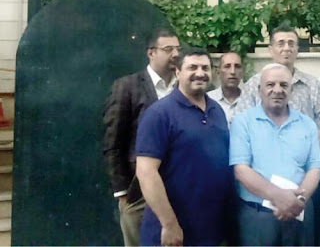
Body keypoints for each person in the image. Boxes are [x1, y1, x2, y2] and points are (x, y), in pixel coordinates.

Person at [135, 47, 234, 246]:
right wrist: (169, 224)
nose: (200, 73)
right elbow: (146, 172)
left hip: (210, 231)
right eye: (192, 67)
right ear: (178, 72)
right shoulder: (159, 114)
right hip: (173, 233)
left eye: (205, 68)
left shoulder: (217, 110)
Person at [103, 28, 180, 246]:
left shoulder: (183, 86)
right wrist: (122, 193)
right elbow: (113, 143)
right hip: (138, 192)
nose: (175, 54)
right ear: (151, 53)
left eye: (178, 49)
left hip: (178, 186)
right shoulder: (128, 86)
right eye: (168, 49)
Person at [230, 63, 320, 246]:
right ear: (259, 90)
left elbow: (314, 169)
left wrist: (298, 201)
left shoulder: (307, 124)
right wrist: (279, 197)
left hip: (298, 212)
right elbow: (240, 170)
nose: (277, 90)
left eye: (284, 85)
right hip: (257, 217)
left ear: (292, 90)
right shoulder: (243, 122)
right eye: (270, 84)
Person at [236, 26, 320, 146]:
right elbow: (241, 123)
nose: (287, 48)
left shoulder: (312, 85)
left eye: (291, 44)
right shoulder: (254, 85)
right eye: (281, 44)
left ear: (297, 49)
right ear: (271, 50)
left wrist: (311, 149)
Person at [207, 51, 244, 125]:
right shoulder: (208, 100)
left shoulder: (250, 101)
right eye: (227, 66)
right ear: (218, 72)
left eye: (237, 66)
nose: (233, 72)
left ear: (242, 71)